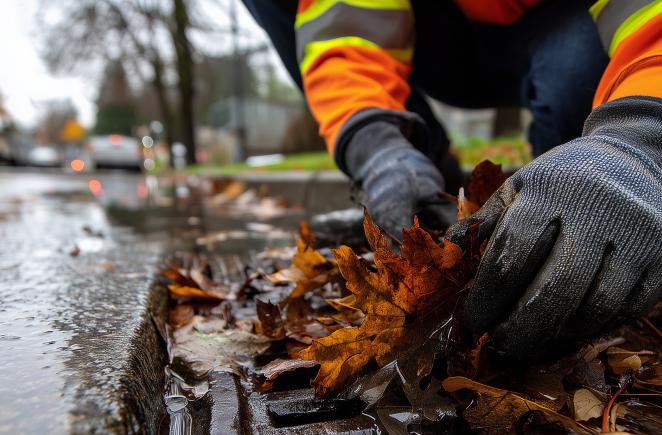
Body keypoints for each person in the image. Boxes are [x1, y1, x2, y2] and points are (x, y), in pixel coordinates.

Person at [241, 0, 662, 357]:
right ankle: (426, 177)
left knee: (574, 74)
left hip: (567, 25)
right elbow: (343, 32)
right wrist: (379, 148)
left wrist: (640, 140)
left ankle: (575, 160)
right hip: (434, 35)